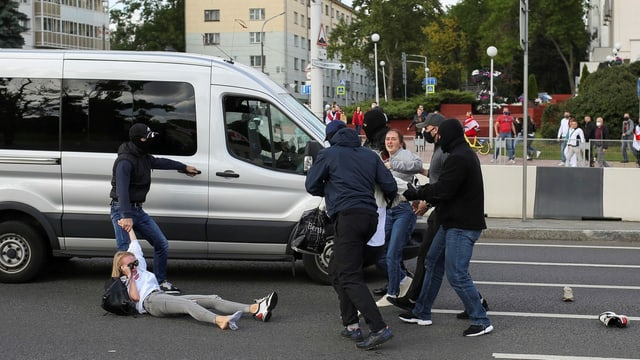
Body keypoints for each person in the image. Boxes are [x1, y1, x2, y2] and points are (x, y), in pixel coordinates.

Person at [305, 120, 396, 350]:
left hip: (348, 218)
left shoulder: (328, 154)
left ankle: (378, 327)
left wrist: (330, 188)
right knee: (337, 269)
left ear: (332, 138)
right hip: (370, 218)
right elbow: (390, 186)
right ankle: (351, 324)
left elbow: (311, 185)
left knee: (349, 275)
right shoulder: (370, 155)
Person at [400, 118, 493, 337]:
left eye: (441, 135)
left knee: (457, 274)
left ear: (450, 135)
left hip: (462, 225)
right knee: (432, 261)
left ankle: (481, 319)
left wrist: (416, 193)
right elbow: (446, 190)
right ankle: (422, 312)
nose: (438, 138)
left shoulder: (459, 158)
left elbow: (443, 190)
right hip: (451, 220)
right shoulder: (460, 154)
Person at [112, 226, 277, 330]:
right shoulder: (124, 282)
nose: (134, 265)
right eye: (130, 265)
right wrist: (130, 276)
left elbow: (134, 244)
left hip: (161, 295)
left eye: (134, 262)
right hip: (150, 302)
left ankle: (255, 309)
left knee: (212, 299)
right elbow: (135, 298)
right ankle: (219, 320)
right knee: (188, 304)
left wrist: (129, 228)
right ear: (122, 268)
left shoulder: (138, 264)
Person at [110, 123, 200, 294]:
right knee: (125, 254)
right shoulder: (125, 161)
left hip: (137, 210)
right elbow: (122, 191)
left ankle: (160, 281)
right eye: (147, 137)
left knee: (161, 244)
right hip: (122, 210)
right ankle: (124, 291)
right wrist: (126, 216)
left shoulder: (142, 155)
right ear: (139, 140)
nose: (150, 140)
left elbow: (160, 162)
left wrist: (183, 167)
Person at [376, 129, 423, 307]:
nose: (390, 142)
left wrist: (393, 165)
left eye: (393, 139)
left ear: (400, 142)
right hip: (389, 209)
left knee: (393, 254)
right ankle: (403, 281)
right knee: (380, 253)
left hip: (404, 209)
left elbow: (417, 165)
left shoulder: (403, 155)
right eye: (387, 139)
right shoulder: (384, 159)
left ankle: (392, 294)